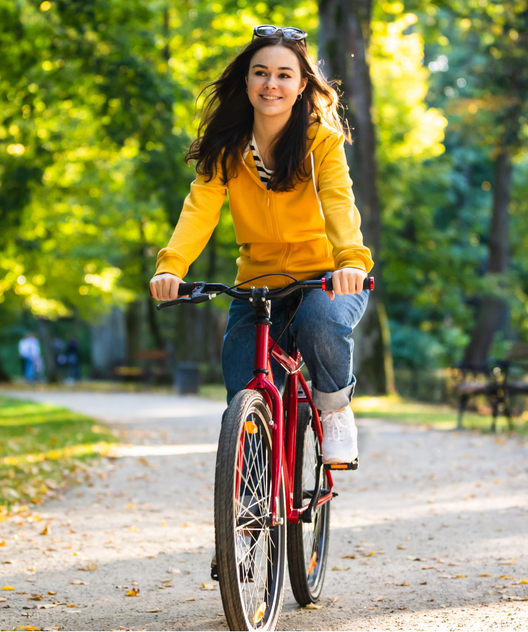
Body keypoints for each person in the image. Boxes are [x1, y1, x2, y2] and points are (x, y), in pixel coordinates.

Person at [149, 24, 372, 465]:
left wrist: (349, 260)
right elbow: (199, 209)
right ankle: (250, 488)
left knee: (318, 323)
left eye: (284, 74)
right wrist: (171, 266)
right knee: (242, 377)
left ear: (302, 83)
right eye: (261, 73)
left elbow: (339, 203)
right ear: (247, 80)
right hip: (258, 282)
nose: (272, 84)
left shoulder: (321, 143)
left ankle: (333, 409)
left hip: (327, 279)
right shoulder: (226, 149)